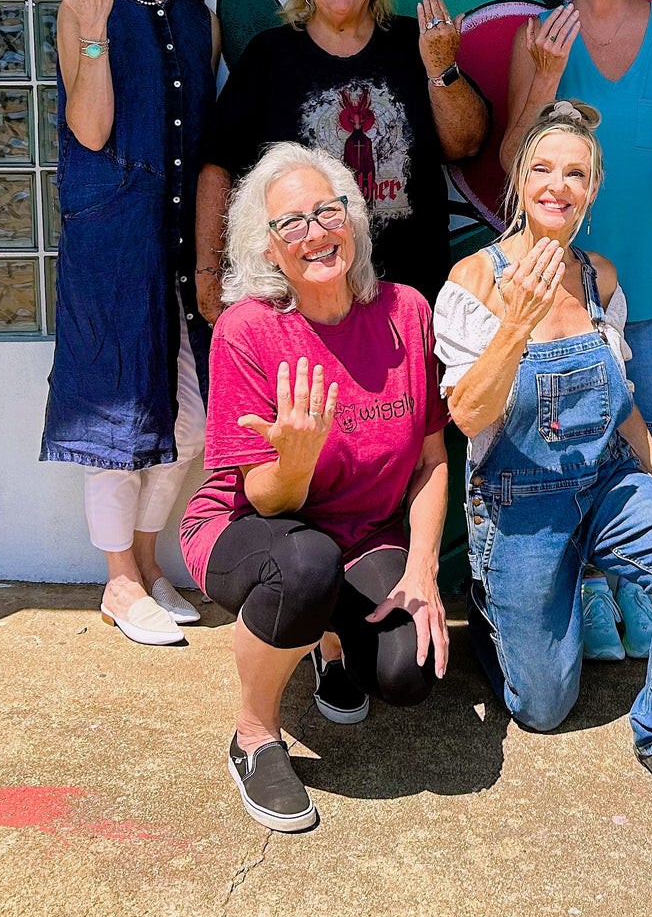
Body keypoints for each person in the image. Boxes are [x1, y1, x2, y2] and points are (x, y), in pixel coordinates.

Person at [436, 100, 652, 819]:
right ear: (520, 179)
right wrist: (516, 322)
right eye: (543, 168)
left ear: (593, 189)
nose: (558, 185)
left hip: (605, 485)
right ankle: (500, 612)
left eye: (575, 174)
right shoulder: (472, 281)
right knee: (543, 709)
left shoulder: (599, 275)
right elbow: (468, 415)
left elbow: (621, 399)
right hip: (520, 504)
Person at [181, 144, 450, 834]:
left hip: (364, 535)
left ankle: (330, 644)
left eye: (328, 212)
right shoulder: (247, 332)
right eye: (290, 224)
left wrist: (422, 568)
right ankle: (253, 735)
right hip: (250, 527)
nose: (315, 233)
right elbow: (267, 499)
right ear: (269, 250)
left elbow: (431, 458)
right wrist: (295, 460)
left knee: (408, 673)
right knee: (305, 567)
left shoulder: (406, 312)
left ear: (352, 220)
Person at [498, 0, 652, 661]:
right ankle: (589, 587)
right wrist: (547, 77)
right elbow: (511, 159)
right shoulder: (539, 37)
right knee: (570, 441)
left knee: (641, 438)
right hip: (559, 279)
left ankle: (640, 585)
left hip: (649, 273)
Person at [39, 0, 218, 646]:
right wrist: (92, 34)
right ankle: (117, 580)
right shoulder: (87, 8)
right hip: (113, 234)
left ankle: (145, 562)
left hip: (182, 235)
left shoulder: (198, 19)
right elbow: (90, 131)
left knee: (192, 417)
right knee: (116, 409)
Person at [194, 0, 487, 320]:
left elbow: (465, 145)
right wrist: (209, 273)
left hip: (409, 292)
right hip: (302, 298)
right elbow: (218, 165)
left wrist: (441, 67)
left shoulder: (413, 44)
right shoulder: (270, 56)